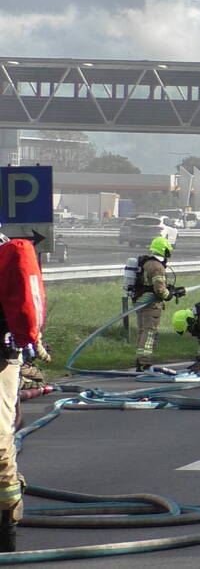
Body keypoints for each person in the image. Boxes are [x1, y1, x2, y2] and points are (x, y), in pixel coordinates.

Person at [0, 222, 50, 551]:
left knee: (0, 446)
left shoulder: (3, 252)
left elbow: (21, 303)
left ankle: (6, 525)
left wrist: (31, 343)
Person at [129, 236, 184, 371]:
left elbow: (150, 283)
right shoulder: (157, 266)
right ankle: (144, 363)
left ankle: (140, 361)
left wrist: (171, 289)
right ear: (164, 250)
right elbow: (159, 289)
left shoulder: (147, 262)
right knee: (149, 332)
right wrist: (169, 295)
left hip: (140, 301)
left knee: (143, 331)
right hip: (150, 304)